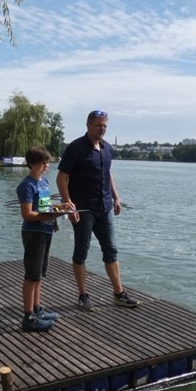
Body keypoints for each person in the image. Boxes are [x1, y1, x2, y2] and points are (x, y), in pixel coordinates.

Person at [57, 109, 140, 312]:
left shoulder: (106, 148)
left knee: (111, 250)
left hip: (105, 207)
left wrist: (116, 197)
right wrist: (68, 204)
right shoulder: (76, 148)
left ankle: (119, 294)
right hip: (83, 209)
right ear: (88, 125)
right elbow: (61, 178)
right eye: (98, 125)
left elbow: (107, 174)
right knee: (81, 252)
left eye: (104, 125)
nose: (102, 129)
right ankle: (83, 296)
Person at [16, 146, 71, 332]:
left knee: (39, 274)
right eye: (43, 162)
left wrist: (61, 207)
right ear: (32, 163)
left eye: (48, 162)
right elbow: (27, 214)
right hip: (34, 233)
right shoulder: (26, 185)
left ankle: (37, 309)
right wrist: (52, 214)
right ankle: (28, 317)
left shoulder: (44, 182)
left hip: (46, 231)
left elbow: (45, 207)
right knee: (31, 276)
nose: (47, 165)